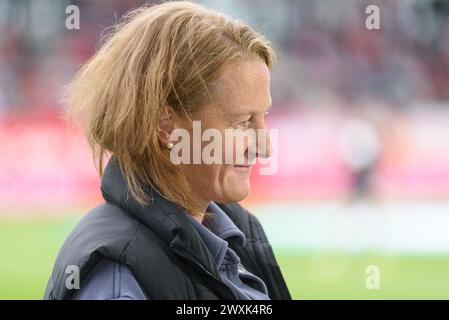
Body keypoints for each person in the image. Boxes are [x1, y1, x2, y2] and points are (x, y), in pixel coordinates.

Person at [44, 1, 291, 300]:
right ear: (167, 126)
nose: (264, 146)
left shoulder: (235, 231)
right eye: (242, 123)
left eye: (263, 117)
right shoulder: (118, 279)